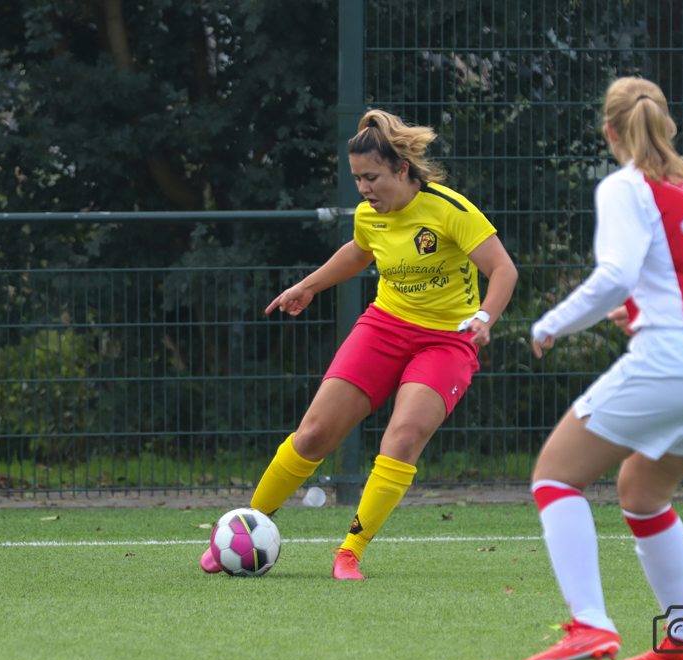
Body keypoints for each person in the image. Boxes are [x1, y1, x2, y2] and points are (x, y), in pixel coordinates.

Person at [199, 109, 518, 579]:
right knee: (313, 434)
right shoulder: (371, 215)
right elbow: (359, 251)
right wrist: (308, 285)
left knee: (404, 436)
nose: (363, 189)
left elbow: (503, 268)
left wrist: (484, 317)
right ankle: (243, 530)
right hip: (384, 327)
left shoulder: (450, 210)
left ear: (402, 170)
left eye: (371, 178)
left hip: (447, 341)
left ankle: (350, 550)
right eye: (356, 179)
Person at [519, 77, 683, 660]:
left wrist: (552, 323)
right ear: (668, 125)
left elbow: (616, 274)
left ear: (609, 133)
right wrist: (645, 303)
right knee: (643, 492)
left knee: (555, 476)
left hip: (675, 358)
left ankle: (590, 625)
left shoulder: (625, 186)